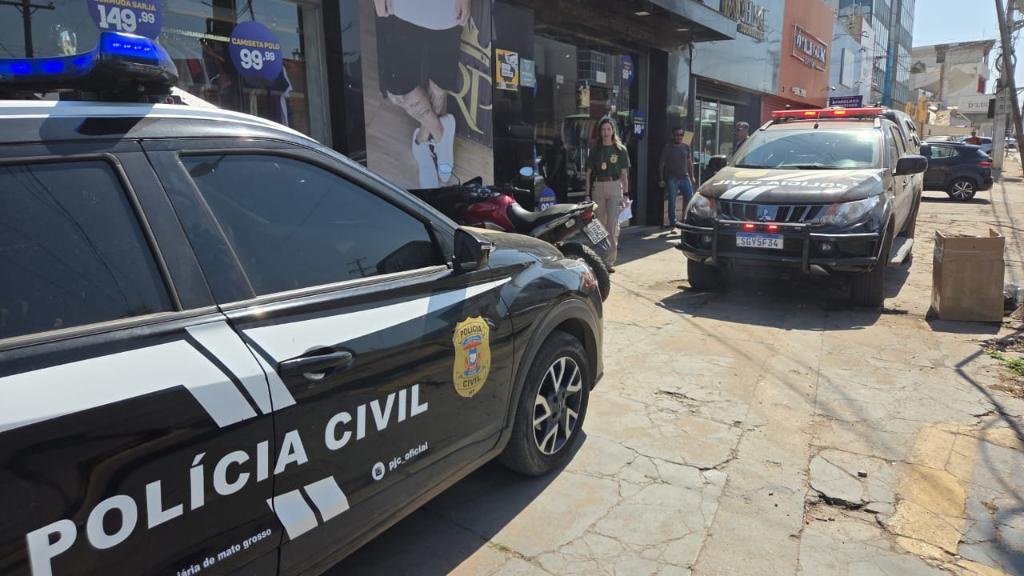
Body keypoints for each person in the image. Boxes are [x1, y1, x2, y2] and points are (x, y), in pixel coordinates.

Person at [375, 0, 471, 188]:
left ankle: (423, 140)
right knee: (398, 90)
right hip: (401, 8)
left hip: (446, 10)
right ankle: (441, 134)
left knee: (438, 85)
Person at [585, 117, 630, 271]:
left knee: (612, 224)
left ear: (613, 131)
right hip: (598, 186)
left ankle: (609, 261)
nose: (606, 132)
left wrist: (626, 194)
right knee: (598, 224)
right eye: (603, 129)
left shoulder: (620, 150)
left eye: (608, 129)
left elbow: (624, 175)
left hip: (614, 186)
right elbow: (588, 174)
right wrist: (587, 194)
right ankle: (599, 259)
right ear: (600, 132)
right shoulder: (595, 150)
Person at [659, 128, 694, 230]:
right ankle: (673, 223)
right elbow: (661, 164)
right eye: (677, 135)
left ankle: (687, 220)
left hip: (685, 177)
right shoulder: (668, 148)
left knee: (690, 199)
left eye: (681, 135)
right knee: (672, 201)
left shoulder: (686, 147)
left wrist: (692, 176)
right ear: (673, 136)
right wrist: (661, 179)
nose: (679, 137)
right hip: (672, 178)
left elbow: (689, 162)